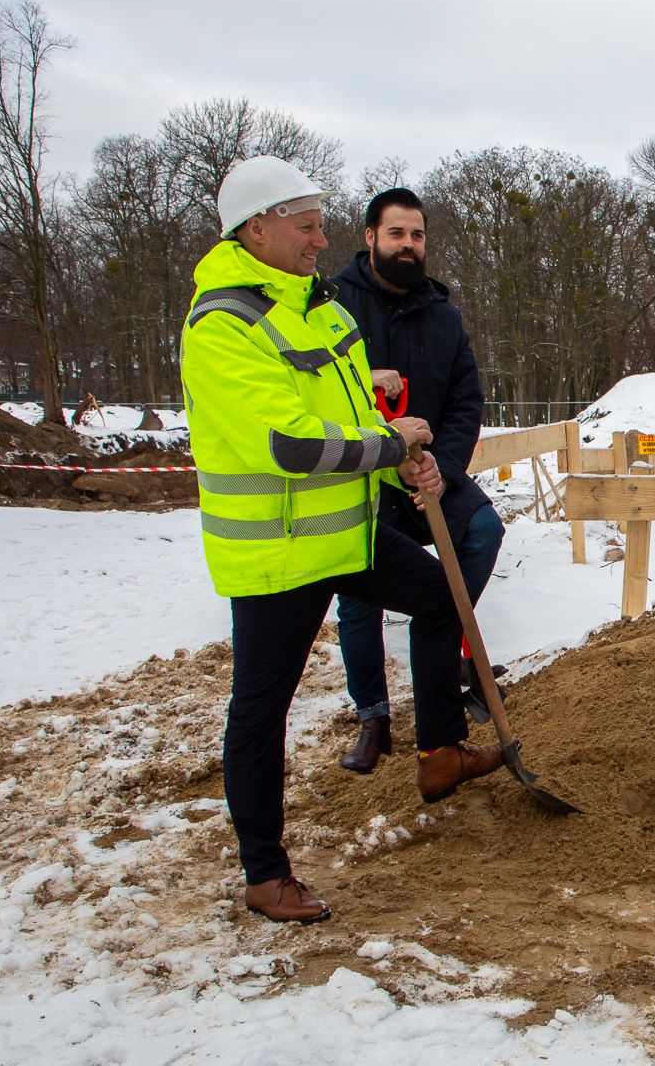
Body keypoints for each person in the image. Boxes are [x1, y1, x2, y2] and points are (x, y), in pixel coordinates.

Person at [181, 155, 506, 923]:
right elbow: (291, 445)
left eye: (320, 224)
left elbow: (360, 414)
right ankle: (265, 873)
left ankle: (438, 752)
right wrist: (392, 446)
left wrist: (408, 462)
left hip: (347, 533)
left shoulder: (322, 311)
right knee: (261, 709)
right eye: (306, 226)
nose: (320, 241)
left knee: (440, 601)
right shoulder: (223, 324)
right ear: (256, 228)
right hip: (277, 554)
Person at [329, 187, 503, 773]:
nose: (409, 245)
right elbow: (321, 399)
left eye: (418, 235)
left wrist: (443, 468)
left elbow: (465, 401)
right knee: (359, 595)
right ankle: (373, 715)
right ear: (371, 237)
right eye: (397, 233)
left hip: (429, 476)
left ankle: (441, 666)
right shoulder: (332, 308)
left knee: (483, 529)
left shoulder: (443, 314)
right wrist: (383, 440)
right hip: (363, 477)